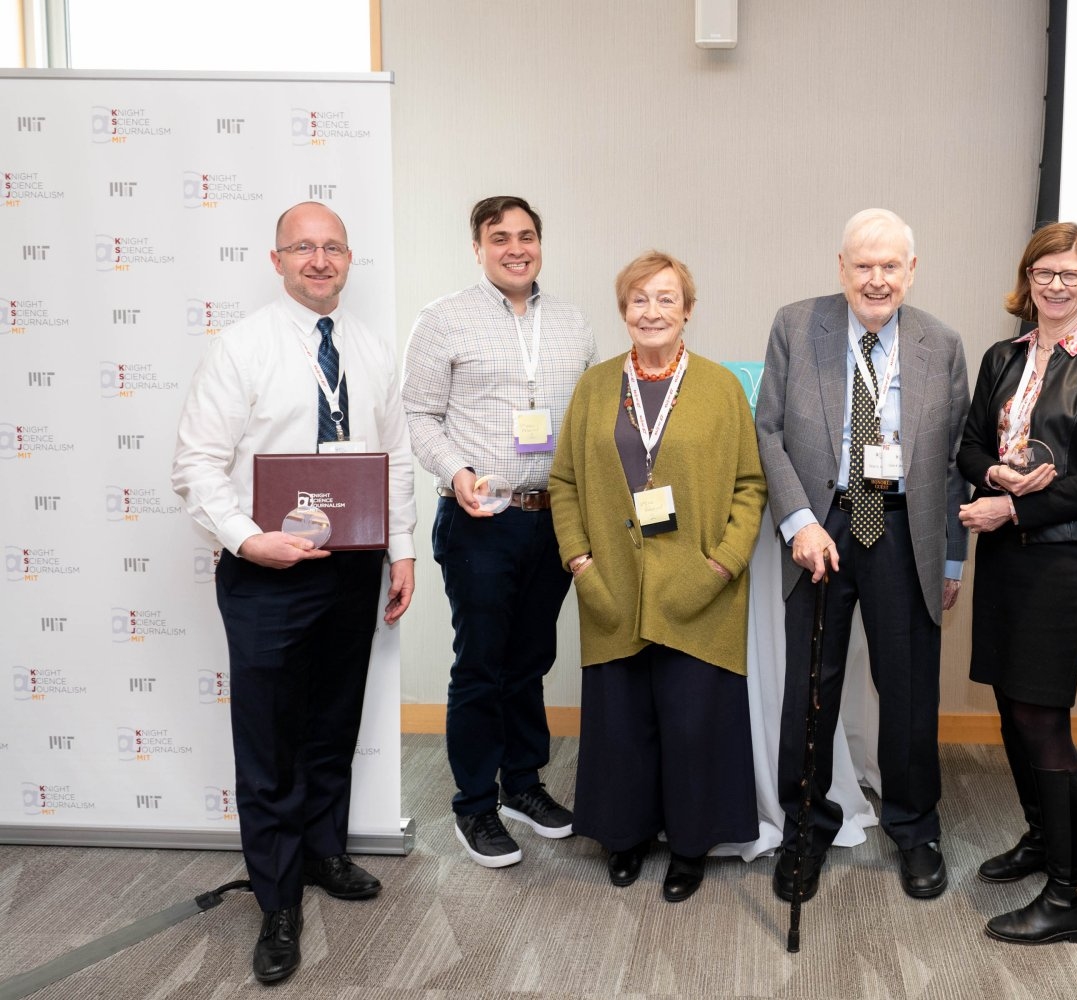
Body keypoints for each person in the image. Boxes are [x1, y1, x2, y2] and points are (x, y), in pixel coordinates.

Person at [171, 201, 417, 985]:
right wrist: (250, 539)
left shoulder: (374, 350)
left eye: (332, 248)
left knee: (331, 722)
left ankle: (322, 854)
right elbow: (196, 465)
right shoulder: (239, 348)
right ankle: (277, 898)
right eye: (303, 248)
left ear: (350, 260)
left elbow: (398, 460)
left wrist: (402, 550)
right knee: (272, 739)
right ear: (276, 260)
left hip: (352, 566)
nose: (319, 260)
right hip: (265, 571)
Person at [756, 208, 969, 901]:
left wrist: (952, 559)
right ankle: (806, 828)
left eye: (890, 266)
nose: (876, 280)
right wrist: (797, 523)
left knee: (909, 690)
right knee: (810, 688)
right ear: (841, 268)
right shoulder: (797, 325)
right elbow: (769, 431)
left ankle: (914, 828)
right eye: (863, 265)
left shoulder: (942, 342)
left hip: (905, 530)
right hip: (826, 525)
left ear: (912, 270)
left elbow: (958, 461)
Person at [549, 250, 766, 902]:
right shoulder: (593, 388)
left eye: (665, 299)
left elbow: (751, 488)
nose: (652, 311)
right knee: (621, 723)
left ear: (688, 311)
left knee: (694, 722)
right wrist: (581, 562)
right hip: (612, 585)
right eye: (639, 299)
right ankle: (625, 836)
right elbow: (563, 484)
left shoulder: (722, 388)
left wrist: (722, 565)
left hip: (700, 591)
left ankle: (691, 845)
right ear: (624, 311)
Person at [402, 196, 597, 870]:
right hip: (481, 520)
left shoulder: (572, 324)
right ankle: (474, 806)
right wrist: (456, 472)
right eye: (500, 237)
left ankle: (523, 787)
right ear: (478, 247)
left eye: (527, 236)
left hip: (550, 519)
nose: (516, 248)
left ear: (541, 243)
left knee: (530, 662)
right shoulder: (444, 319)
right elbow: (419, 414)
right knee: (482, 666)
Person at [957, 222, 1077, 943]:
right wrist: (992, 474)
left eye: (1071, 273)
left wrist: (1016, 505)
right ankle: (1041, 839)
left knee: (1042, 718)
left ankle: (1071, 896)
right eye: (1043, 272)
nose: (1056, 284)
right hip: (1005, 550)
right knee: (1008, 704)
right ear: (1026, 278)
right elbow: (970, 443)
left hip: (1062, 559)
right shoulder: (1005, 355)